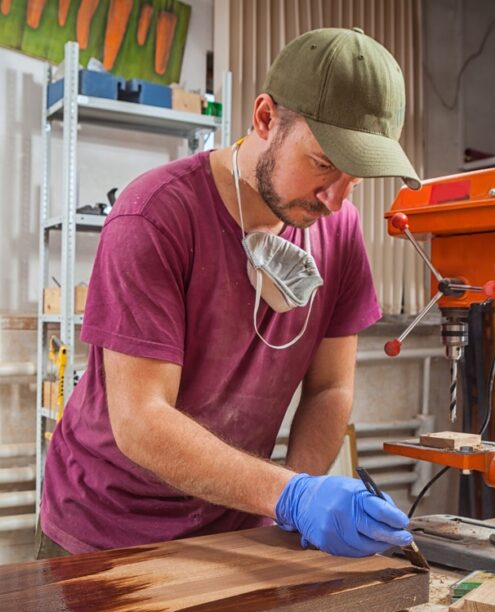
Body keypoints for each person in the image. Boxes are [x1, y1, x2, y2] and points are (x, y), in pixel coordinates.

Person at [38, 27, 422, 560]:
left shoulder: (339, 229)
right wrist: (291, 495)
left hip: (238, 526)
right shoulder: (154, 215)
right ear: (265, 118)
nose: (335, 200)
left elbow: (331, 387)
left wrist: (296, 511)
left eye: (356, 180)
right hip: (107, 528)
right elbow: (141, 420)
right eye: (323, 163)